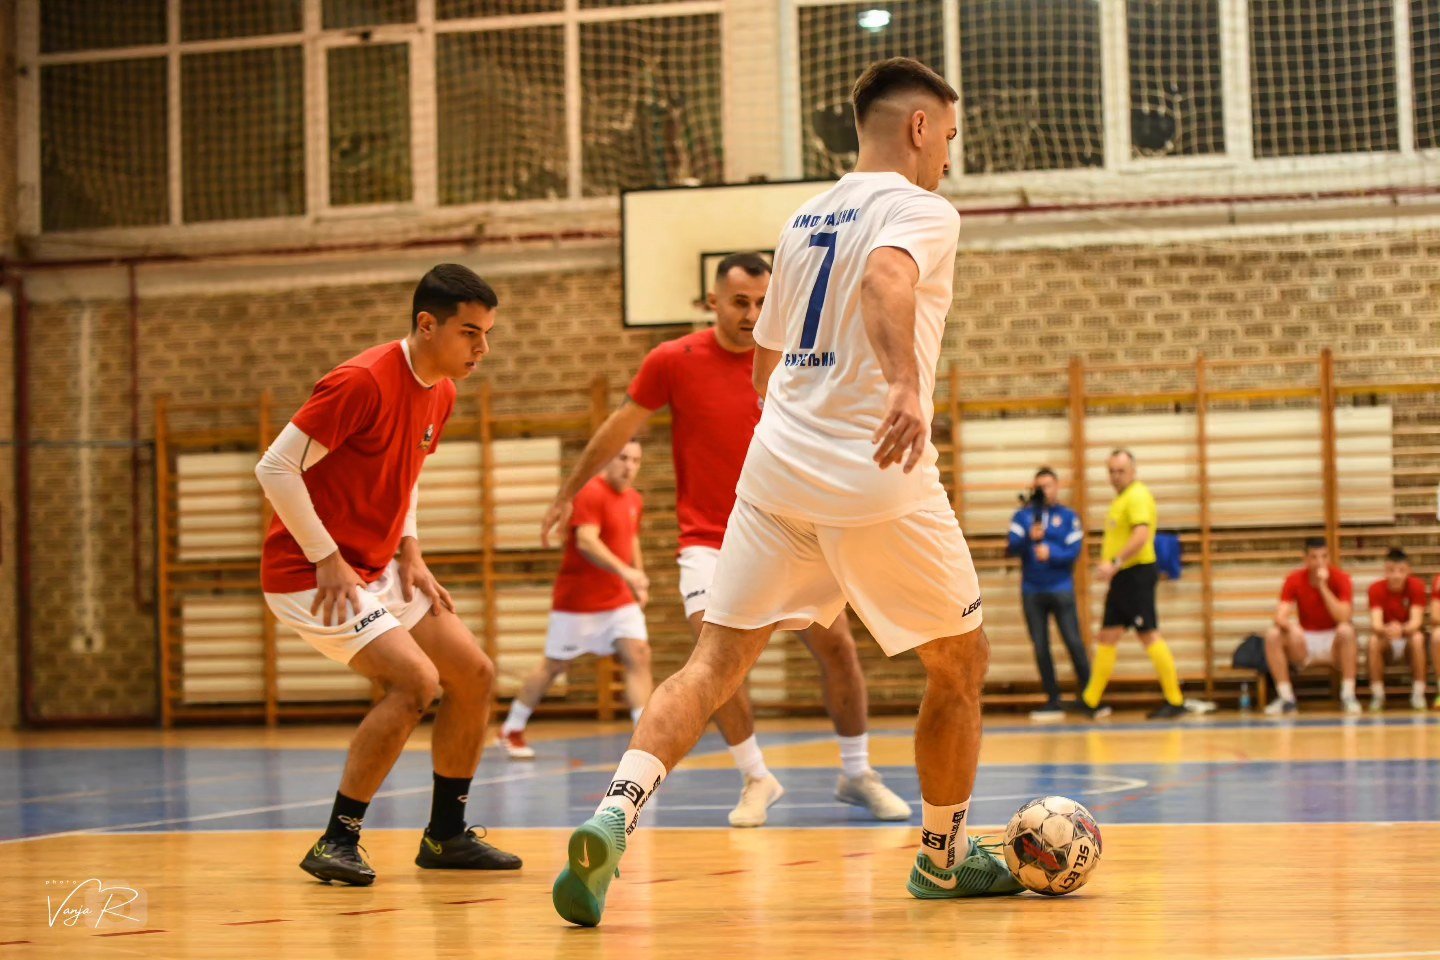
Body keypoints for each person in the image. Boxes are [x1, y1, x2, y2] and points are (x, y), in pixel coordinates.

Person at [550, 57, 1024, 928]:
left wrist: (794, 413)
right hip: (876, 478)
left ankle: (614, 812)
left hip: (774, 475)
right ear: (920, 127)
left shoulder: (805, 217)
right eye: (949, 137)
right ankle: (944, 858)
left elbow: (764, 362)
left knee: (712, 665)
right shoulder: (921, 209)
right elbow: (888, 281)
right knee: (960, 665)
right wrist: (903, 388)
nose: (949, 156)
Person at [538, 253, 908, 826]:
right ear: (712, 302)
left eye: (764, 303)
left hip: (794, 529)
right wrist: (568, 490)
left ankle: (858, 772)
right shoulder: (673, 361)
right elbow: (620, 426)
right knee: (713, 658)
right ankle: (756, 776)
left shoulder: (798, 362)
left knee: (838, 648)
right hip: (709, 539)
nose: (753, 313)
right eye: (740, 302)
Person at [254, 264, 521, 886]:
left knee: (473, 675)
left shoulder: (443, 390)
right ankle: (335, 840)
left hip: (375, 566)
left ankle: (446, 836)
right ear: (427, 325)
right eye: (470, 333)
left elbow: (408, 473)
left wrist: (411, 549)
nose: (483, 348)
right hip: (308, 571)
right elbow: (274, 469)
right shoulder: (362, 382)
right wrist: (326, 556)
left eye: (487, 334)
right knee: (414, 683)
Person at [500, 442, 653, 755]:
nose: (629, 466)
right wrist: (627, 573)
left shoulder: (634, 499)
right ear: (608, 459)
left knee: (638, 654)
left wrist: (639, 579)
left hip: (619, 600)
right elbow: (586, 542)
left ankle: (645, 738)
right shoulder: (590, 492)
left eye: (636, 460)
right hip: (578, 603)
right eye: (623, 458)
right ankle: (511, 728)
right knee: (553, 667)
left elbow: (631, 538)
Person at [1076, 450, 1186, 720]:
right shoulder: (1122, 499)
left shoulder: (1137, 495)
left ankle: (1175, 700)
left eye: (1120, 470)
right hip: (1123, 578)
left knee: (1148, 633)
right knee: (1107, 636)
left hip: (1136, 574)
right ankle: (1090, 701)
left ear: (1133, 471)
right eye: (1111, 471)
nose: (1115, 476)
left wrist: (1115, 561)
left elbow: (1141, 535)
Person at [1006, 467, 1089, 718]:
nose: (1044, 490)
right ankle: (1053, 699)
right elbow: (1010, 547)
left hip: (1061, 588)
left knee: (1073, 641)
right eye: (1039, 486)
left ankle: (1089, 696)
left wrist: (1052, 553)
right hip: (1032, 590)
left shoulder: (1068, 516)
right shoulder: (1023, 517)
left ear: (1057, 487)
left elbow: (1074, 551)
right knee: (1041, 646)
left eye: (1048, 485)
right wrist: (1028, 539)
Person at [1262, 538, 1360, 715]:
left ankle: (1348, 696)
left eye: (1324, 557)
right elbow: (1280, 616)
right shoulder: (1294, 579)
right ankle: (1286, 699)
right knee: (1272, 634)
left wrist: (1323, 587)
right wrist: (1291, 627)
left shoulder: (1341, 578)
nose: (1319, 562)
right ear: (1306, 559)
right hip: (1305, 641)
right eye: (1314, 557)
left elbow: (1343, 616)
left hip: (1334, 642)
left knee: (1347, 630)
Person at [1365, 547, 1428, 712]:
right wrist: (1388, 630)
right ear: (1385, 571)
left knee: (1418, 638)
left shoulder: (1417, 586)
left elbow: (1416, 622)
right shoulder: (1375, 589)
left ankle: (1418, 694)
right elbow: (1376, 623)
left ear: (1408, 571)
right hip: (1387, 639)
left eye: (1401, 571)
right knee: (1373, 641)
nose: (1396, 575)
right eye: (1391, 571)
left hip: (1407, 639)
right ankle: (1378, 695)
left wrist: (1401, 629)